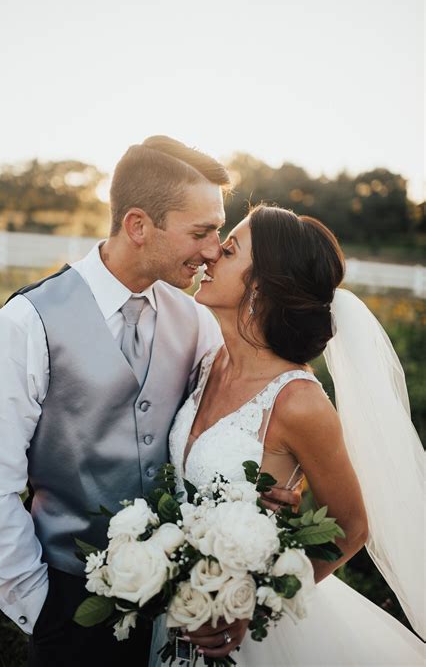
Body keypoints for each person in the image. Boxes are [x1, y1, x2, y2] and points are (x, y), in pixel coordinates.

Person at [0, 137, 298, 667]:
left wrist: (267, 488)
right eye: (201, 231)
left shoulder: (196, 321)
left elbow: (222, 425)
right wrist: (38, 604)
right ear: (139, 226)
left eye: (218, 231)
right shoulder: (24, 325)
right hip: (65, 601)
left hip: (175, 606)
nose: (213, 250)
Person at [150, 204, 425, 666]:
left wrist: (253, 600)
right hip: (179, 609)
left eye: (230, 249)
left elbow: (352, 526)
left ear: (261, 284)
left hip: (254, 637)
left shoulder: (299, 403)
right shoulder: (207, 360)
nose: (212, 254)